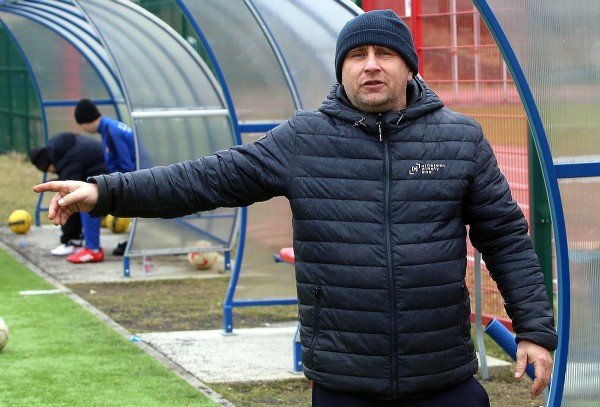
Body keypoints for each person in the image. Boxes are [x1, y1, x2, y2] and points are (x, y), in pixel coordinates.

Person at [34, 9, 557, 406]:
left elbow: (505, 236)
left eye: (384, 53)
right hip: (343, 383)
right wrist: (105, 192)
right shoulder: (303, 139)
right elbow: (203, 180)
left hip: (443, 379)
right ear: (342, 68)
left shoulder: (460, 139)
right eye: (357, 55)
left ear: (408, 65)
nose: (371, 65)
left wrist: (533, 329)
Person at [74, 98, 145, 255]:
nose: (83, 129)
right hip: (136, 177)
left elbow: (127, 165)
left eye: (82, 124)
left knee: (88, 200)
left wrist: (116, 190)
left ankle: (92, 249)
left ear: (87, 120)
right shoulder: (109, 127)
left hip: (136, 180)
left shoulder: (112, 131)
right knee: (91, 191)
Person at [29, 132, 107, 263]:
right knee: (74, 196)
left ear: (47, 164)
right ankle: (79, 240)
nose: (50, 172)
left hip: (107, 174)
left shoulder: (68, 160)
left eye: (48, 170)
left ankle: (77, 243)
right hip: (100, 170)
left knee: (69, 200)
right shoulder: (57, 149)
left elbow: (70, 188)